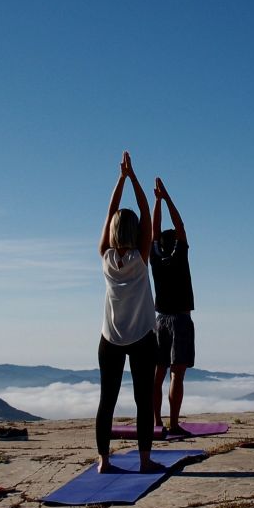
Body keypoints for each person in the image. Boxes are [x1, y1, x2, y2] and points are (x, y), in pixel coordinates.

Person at [95, 151, 162, 474]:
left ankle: (103, 461)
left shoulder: (105, 257)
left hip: (110, 338)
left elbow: (110, 212)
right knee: (143, 401)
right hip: (141, 338)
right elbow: (146, 211)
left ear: (111, 231)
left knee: (106, 400)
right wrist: (134, 178)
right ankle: (145, 460)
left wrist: (119, 180)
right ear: (136, 232)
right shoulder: (141, 257)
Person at [150, 177, 195, 436]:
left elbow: (155, 231)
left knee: (159, 373)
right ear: (177, 243)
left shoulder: (155, 258)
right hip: (180, 319)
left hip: (159, 320)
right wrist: (166, 198)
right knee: (177, 374)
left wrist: (156, 202)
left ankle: (157, 422)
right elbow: (180, 226)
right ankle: (174, 423)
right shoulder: (180, 256)